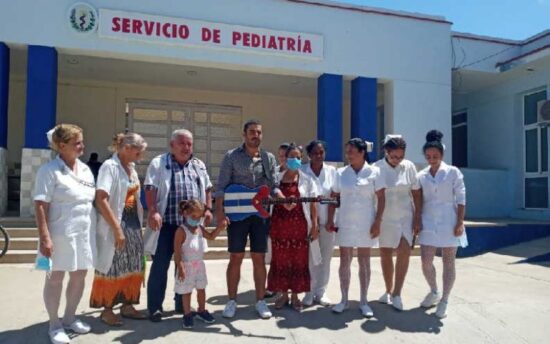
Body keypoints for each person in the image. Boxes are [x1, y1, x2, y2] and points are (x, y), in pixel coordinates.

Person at [143, 129, 213, 322]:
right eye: (182, 143)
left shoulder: (198, 165)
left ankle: (180, 304)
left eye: (189, 144)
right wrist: (153, 210)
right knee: (160, 266)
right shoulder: (159, 163)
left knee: (186, 266)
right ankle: (155, 308)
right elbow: (150, 188)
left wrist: (207, 209)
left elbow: (207, 188)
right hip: (166, 226)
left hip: (190, 227)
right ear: (172, 145)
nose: (186, 147)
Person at [34, 124, 95, 344]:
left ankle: (70, 318)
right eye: (76, 143)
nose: (82, 146)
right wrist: (45, 237)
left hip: (83, 233)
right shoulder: (48, 171)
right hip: (59, 234)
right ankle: (54, 324)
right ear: (61, 146)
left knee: (79, 275)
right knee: (55, 278)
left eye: (81, 141)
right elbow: (40, 205)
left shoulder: (86, 169)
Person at [215, 119, 283, 319]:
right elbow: (221, 187)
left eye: (259, 132)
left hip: (260, 215)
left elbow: (273, 186)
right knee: (235, 257)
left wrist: (280, 197)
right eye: (252, 132)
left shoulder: (268, 158)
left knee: (259, 258)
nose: (256, 135)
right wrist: (220, 213)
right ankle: (231, 301)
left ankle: (261, 301)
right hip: (237, 216)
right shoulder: (231, 157)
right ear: (244, 135)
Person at [89, 133, 148, 326]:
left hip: (133, 223)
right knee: (113, 266)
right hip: (117, 224)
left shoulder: (130, 168)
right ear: (126, 148)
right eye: (138, 152)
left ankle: (127, 305)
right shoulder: (109, 167)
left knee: (133, 264)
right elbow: (101, 198)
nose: (140, 157)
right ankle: (107, 309)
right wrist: (116, 229)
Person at [327, 138, 386, 318]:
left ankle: (364, 301)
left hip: (366, 223)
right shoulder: (341, 173)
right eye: (347, 151)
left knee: (364, 261)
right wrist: (330, 219)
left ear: (362, 153)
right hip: (344, 222)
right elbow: (334, 197)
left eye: (351, 151)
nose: (348, 154)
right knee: (345, 260)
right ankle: (344, 300)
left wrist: (377, 222)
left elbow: (382, 199)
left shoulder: (375, 172)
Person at [417, 130, 467, 319]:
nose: (432, 159)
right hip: (428, 220)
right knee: (426, 261)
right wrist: (417, 220)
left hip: (449, 220)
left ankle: (445, 300)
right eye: (428, 156)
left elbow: (461, 197)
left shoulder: (453, 172)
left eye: (435, 156)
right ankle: (434, 291)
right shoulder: (422, 175)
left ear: (442, 155)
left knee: (448, 261)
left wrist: (460, 221)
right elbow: (419, 198)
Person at [268, 143, 319, 311]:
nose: (295, 160)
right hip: (279, 224)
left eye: (298, 157)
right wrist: (282, 201)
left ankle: (296, 296)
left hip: (299, 225)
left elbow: (313, 204)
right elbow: (269, 195)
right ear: (285, 158)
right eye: (292, 157)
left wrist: (315, 225)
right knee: (281, 259)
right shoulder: (276, 176)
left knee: (298, 260)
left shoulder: (307, 179)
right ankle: (283, 295)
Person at [374, 135, 422, 311]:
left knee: (404, 251)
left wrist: (418, 217)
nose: (397, 160)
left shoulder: (409, 167)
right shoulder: (377, 168)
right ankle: (388, 290)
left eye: (400, 156)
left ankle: (397, 293)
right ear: (386, 152)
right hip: (385, 218)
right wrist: (375, 221)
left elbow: (416, 193)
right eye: (394, 156)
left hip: (405, 217)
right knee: (385, 254)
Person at [174, 200, 223, 329]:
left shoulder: (200, 228)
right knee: (187, 292)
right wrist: (180, 268)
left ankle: (201, 310)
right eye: (193, 216)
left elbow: (211, 237)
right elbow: (177, 253)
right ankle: (187, 314)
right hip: (187, 266)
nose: (196, 220)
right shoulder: (181, 231)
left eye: (199, 217)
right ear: (185, 214)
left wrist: (219, 228)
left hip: (199, 266)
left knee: (201, 289)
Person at [301, 140, 337, 307]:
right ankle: (308, 292)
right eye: (315, 153)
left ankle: (321, 292)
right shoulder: (302, 171)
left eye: (321, 152)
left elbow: (336, 197)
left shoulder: (332, 172)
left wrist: (331, 220)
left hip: (328, 223)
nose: (318, 156)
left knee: (325, 258)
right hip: (307, 223)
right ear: (309, 155)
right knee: (310, 259)